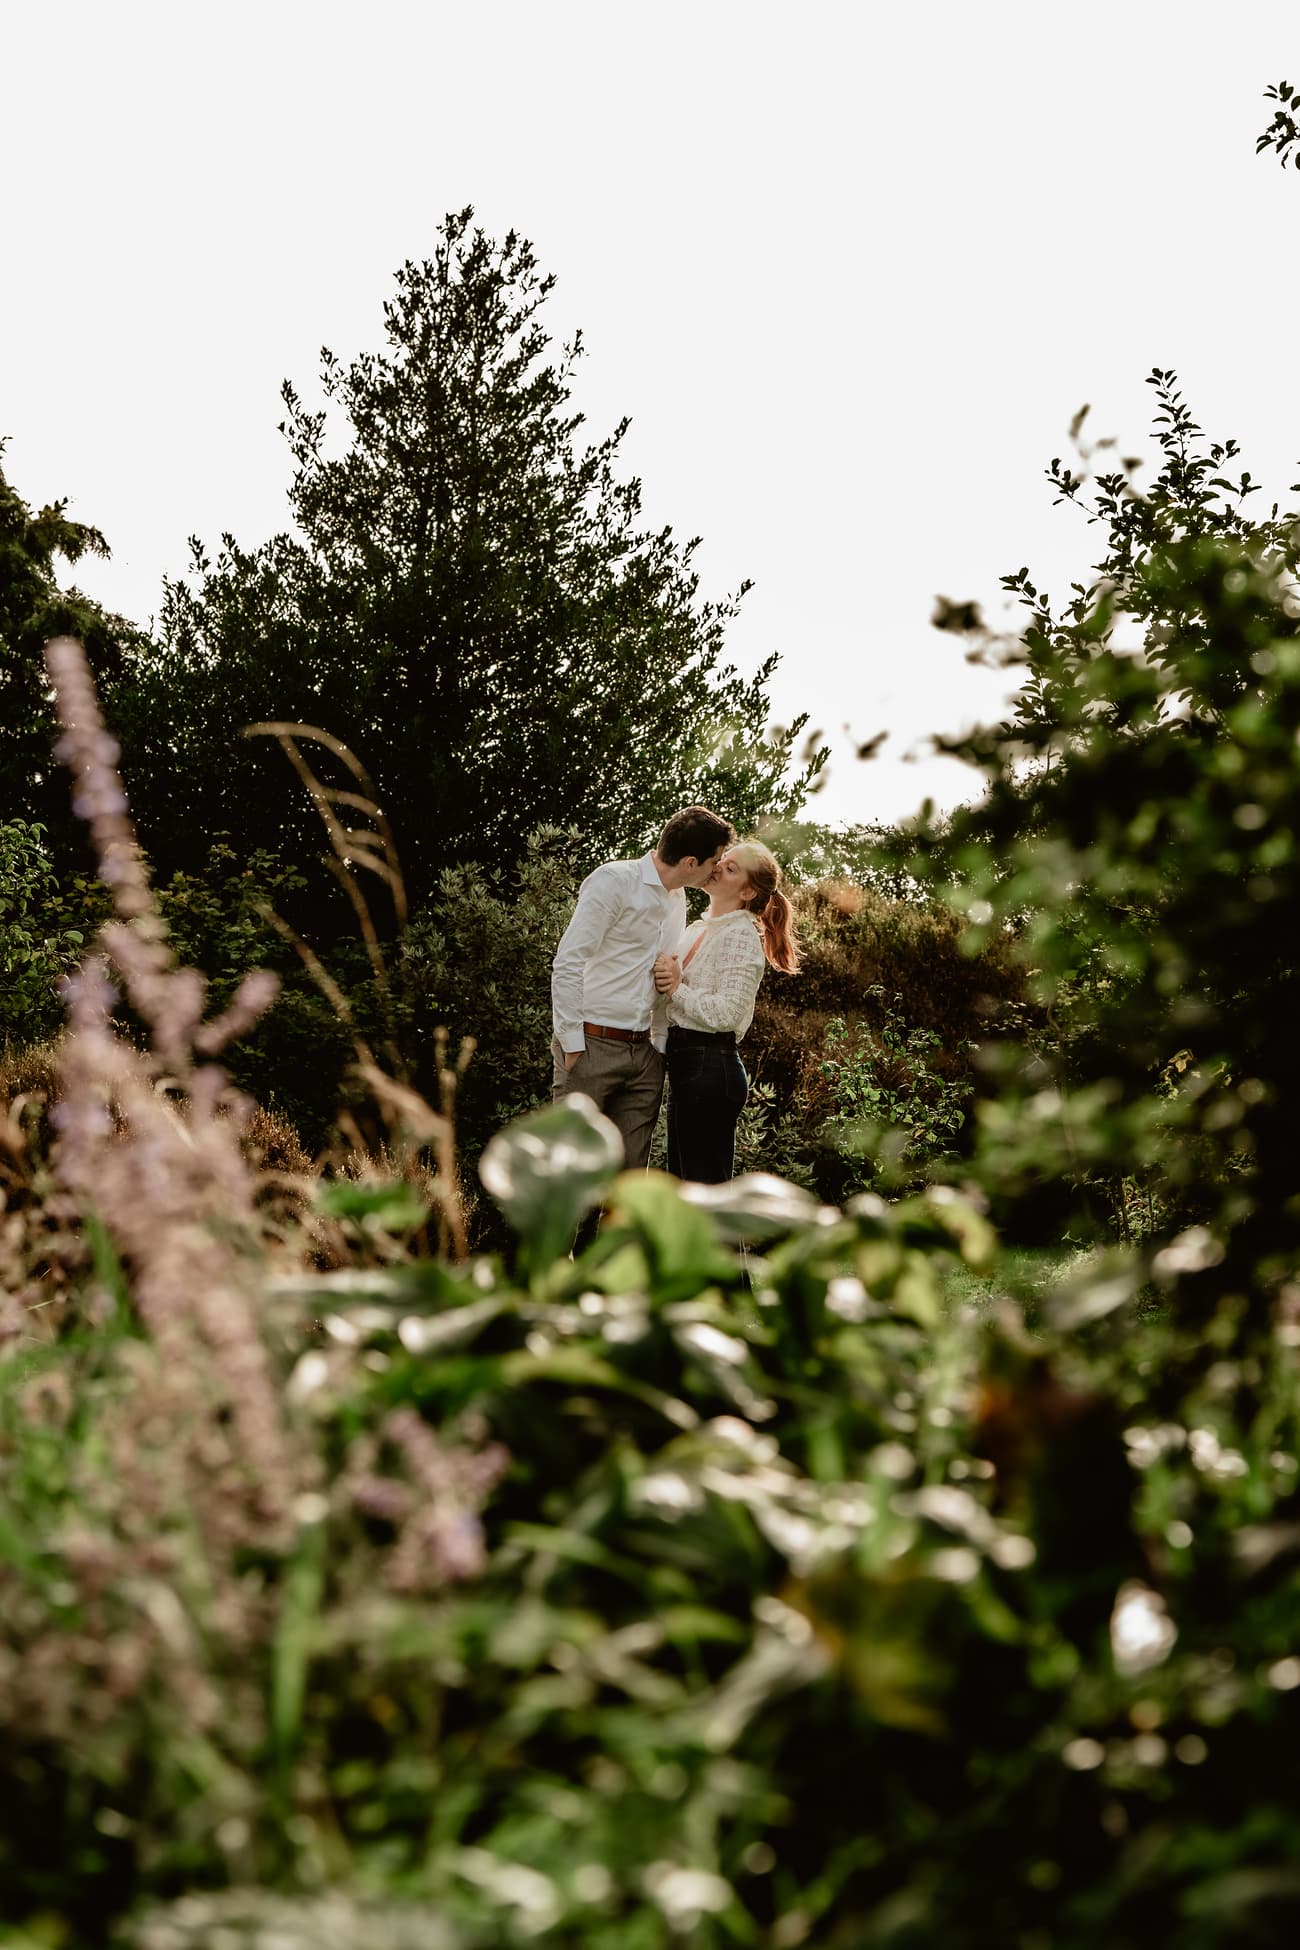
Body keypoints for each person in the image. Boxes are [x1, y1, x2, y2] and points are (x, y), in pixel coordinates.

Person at [551, 807, 735, 1169]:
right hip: (592, 1047)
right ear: (690, 861)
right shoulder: (614, 881)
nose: (717, 868)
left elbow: (664, 973)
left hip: (644, 1057)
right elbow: (569, 961)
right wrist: (572, 1044)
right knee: (570, 1175)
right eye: (714, 861)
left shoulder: (677, 898)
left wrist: (659, 1049)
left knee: (629, 1184)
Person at [655, 840, 800, 1183]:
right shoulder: (697, 929)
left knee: (705, 1196)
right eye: (722, 860)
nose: (718, 867)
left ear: (748, 892)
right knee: (688, 1189)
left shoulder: (740, 936)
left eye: (731, 868)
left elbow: (728, 1014)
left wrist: (677, 988)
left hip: (711, 1068)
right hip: (689, 1064)